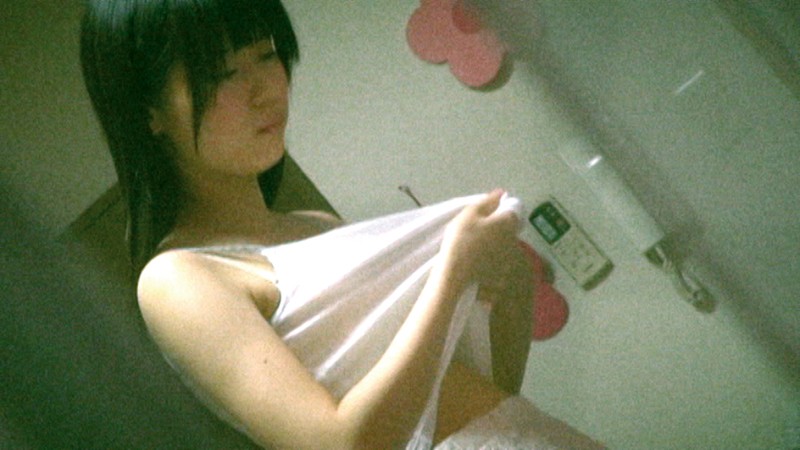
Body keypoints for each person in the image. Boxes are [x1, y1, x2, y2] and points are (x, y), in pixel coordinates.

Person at [80, 0, 603, 448]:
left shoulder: (315, 225)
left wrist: (503, 281)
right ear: (148, 110)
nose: (264, 90)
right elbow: (338, 443)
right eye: (220, 74)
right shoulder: (177, 278)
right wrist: (453, 274)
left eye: (266, 54)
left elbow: (473, 390)